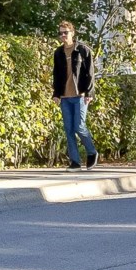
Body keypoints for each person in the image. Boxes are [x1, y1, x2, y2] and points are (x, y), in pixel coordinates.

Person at [52, 18, 98, 169]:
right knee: (69, 129)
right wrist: (56, 94)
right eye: (61, 34)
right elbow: (57, 75)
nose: (63, 36)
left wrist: (89, 92)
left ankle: (91, 152)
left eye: (65, 33)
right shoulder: (58, 53)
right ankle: (75, 161)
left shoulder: (83, 50)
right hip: (65, 97)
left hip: (80, 95)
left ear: (72, 33)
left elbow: (90, 73)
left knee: (79, 126)